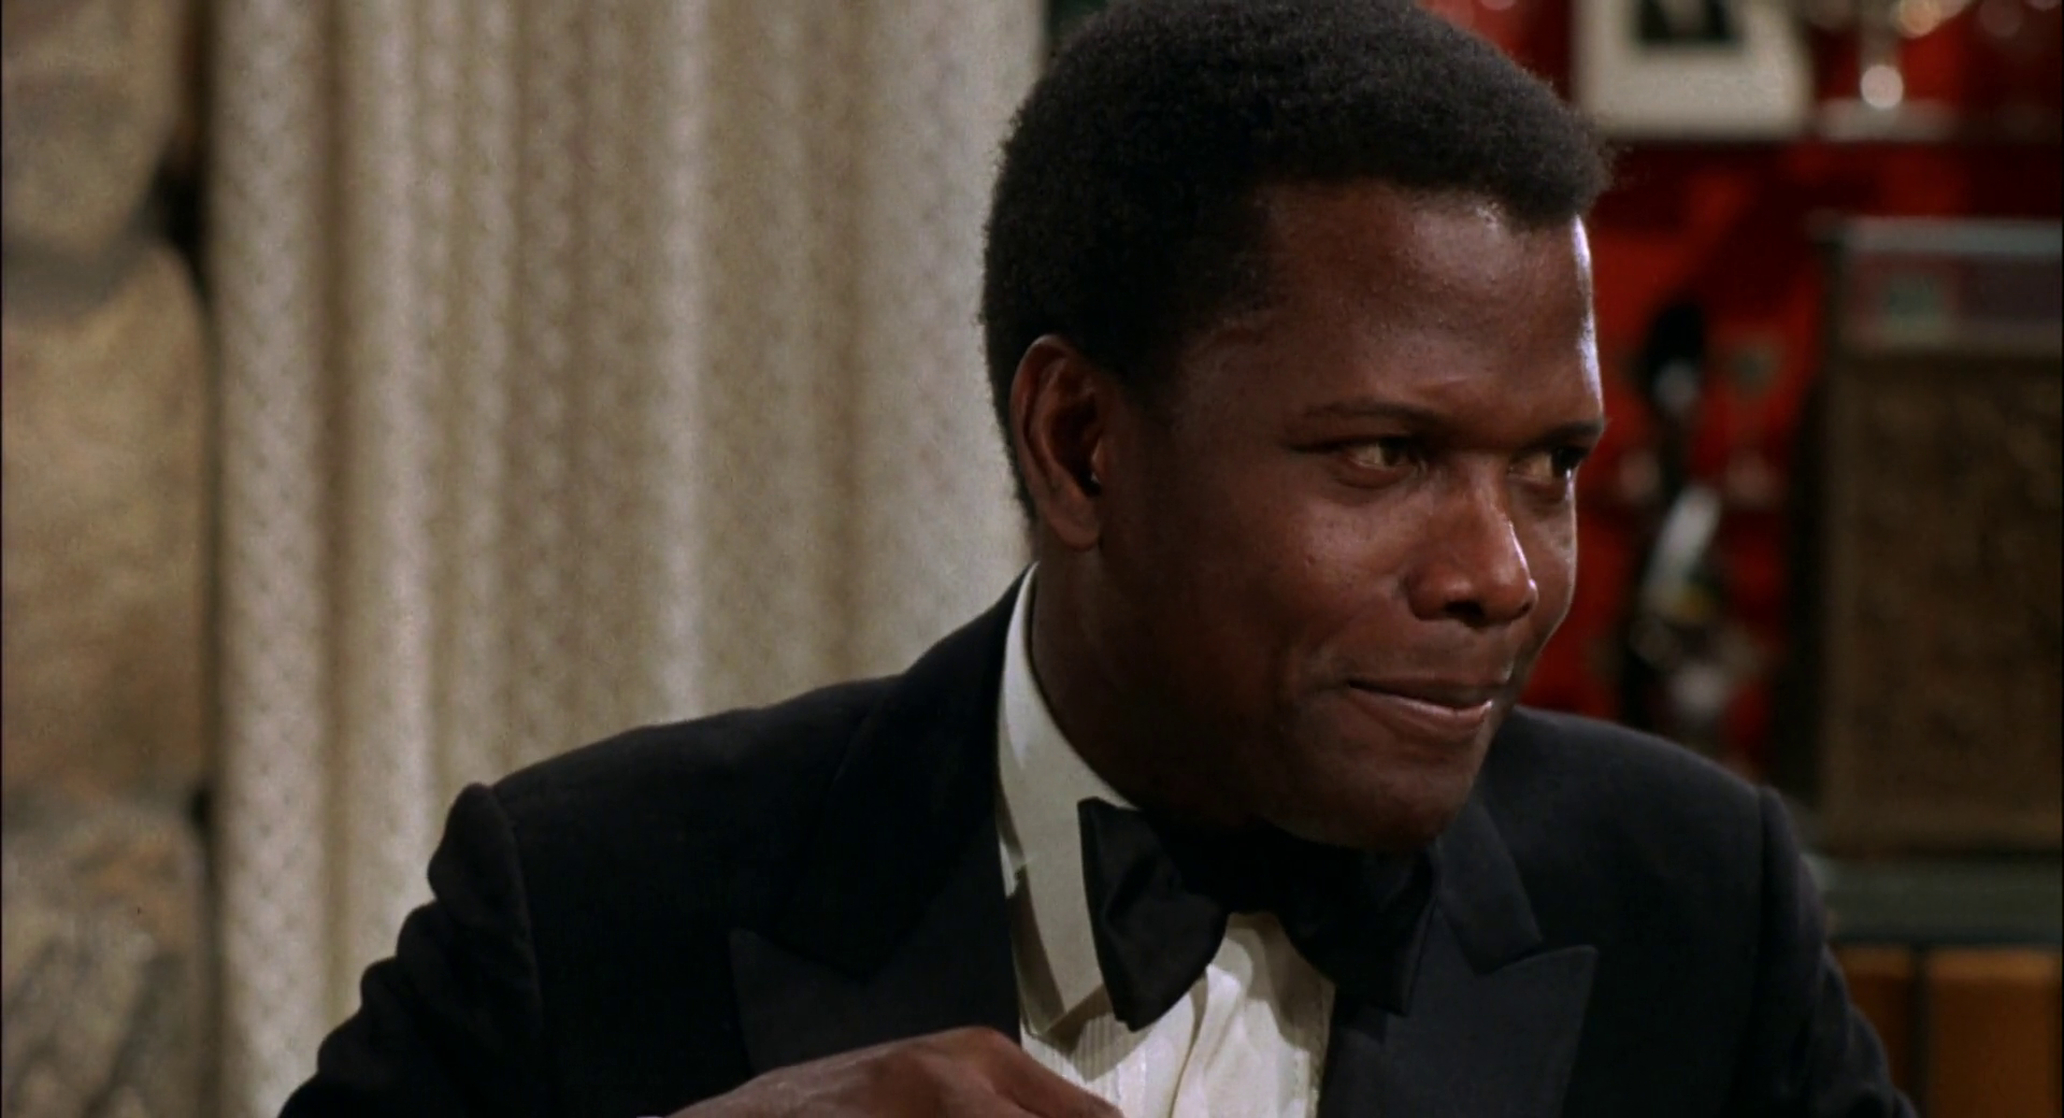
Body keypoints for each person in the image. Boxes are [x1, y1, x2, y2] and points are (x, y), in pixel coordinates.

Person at [282, 1, 1913, 1115]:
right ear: (1080, 443)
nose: (1506, 571)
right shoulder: (589, 901)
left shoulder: (1695, 913)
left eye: (1549, 464)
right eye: (1386, 455)